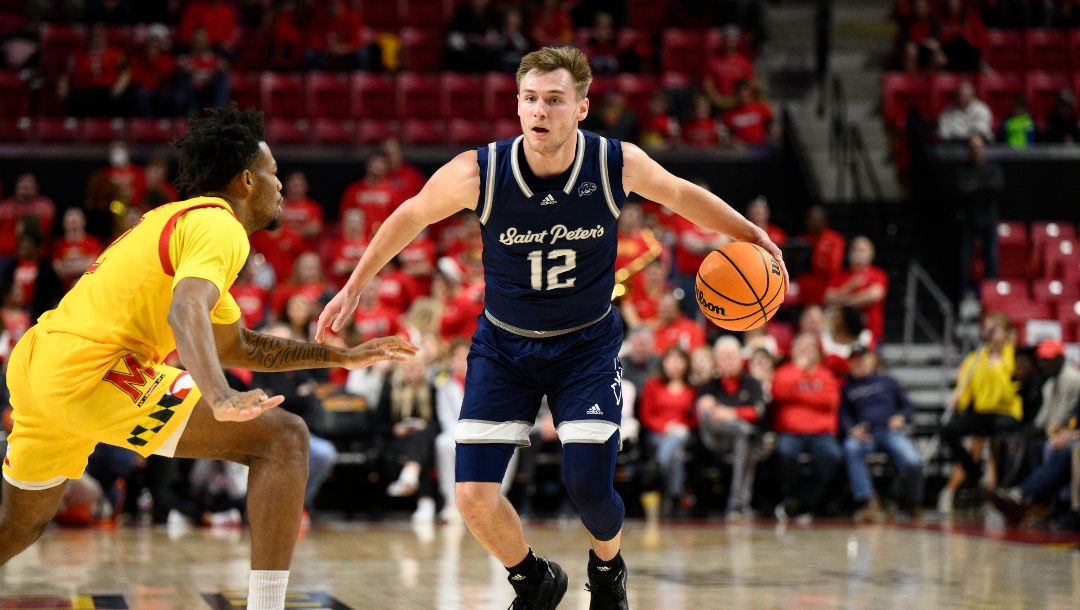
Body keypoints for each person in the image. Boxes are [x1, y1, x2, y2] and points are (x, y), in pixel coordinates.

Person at [315, 47, 787, 609]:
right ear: (517, 106)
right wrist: (353, 284)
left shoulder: (615, 164)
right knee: (471, 496)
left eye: (555, 100)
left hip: (584, 347)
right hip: (503, 347)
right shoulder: (480, 172)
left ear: (582, 107)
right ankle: (533, 579)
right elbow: (412, 214)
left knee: (588, 485)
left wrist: (750, 234)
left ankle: (607, 571)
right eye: (530, 99)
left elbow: (683, 196)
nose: (540, 111)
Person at [0, 105, 417, 610]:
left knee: (18, 524)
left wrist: (339, 356)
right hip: (89, 369)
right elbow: (185, 309)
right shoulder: (220, 226)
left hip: (38, 362)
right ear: (246, 180)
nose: (280, 186)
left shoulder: (178, 223)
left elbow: (239, 345)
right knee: (284, 440)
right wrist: (218, 394)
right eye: (274, 174)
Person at [937, 312, 1022, 513]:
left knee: (1000, 430)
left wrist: (998, 363)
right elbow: (965, 387)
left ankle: (1000, 483)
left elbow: (1010, 389)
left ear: (1006, 332)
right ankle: (974, 472)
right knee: (948, 429)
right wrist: (959, 400)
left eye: (995, 328)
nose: (990, 332)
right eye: (988, 328)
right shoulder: (975, 358)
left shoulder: (1014, 356)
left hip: (1006, 410)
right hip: (983, 411)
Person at [840, 346, 924, 522]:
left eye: (863, 360)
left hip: (890, 431)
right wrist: (852, 429)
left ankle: (911, 502)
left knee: (913, 462)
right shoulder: (847, 388)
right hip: (865, 434)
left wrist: (901, 417)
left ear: (872, 361)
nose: (859, 364)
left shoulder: (888, 382)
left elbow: (908, 406)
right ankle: (868, 501)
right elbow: (843, 415)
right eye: (855, 361)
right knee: (850, 448)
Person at [771, 332, 842, 521]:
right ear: (792, 351)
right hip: (791, 432)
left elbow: (829, 401)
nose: (806, 351)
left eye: (810, 347)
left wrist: (797, 396)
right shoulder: (785, 371)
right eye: (801, 347)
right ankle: (794, 497)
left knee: (832, 456)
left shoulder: (825, 374)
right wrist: (799, 372)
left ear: (819, 352)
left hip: (821, 432)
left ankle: (804, 502)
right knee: (784, 454)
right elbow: (779, 392)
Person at [696, 336, 764, 520]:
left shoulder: (752, 383)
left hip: (743, 443)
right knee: (706, 411)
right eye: (724, 357)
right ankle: (739, 506)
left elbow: (758, 412)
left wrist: (731, 413)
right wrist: (708, 406)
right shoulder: (710, 385)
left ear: (741, 359)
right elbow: (704, 417)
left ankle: (736, 505)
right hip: (716, 441)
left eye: (732, 356)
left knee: (745, 443)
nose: (728, 361)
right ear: (716, 361)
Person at [639, 347, 697, 518]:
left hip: (684, 433)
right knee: (676, 454)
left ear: (686, 364)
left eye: (680, 360)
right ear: (663, 363)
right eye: (671, 360)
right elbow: (646, 415)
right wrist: (665, 427)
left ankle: (657, 467)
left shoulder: (692, 389)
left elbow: (694, 418)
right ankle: (674, 497)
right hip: (657, 434)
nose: (675, 365)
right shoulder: (652, 385)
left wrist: (681, 427)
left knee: (679, 437)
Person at [824, 236, 888, 341]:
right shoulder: (840, 276)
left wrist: (843, 303)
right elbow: (828, 297)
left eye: (862, 250)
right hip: (842, 335)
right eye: (855, 249)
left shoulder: (878, 274)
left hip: (871, 333)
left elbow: (874, 295)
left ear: (871, 254)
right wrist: (849, 287)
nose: (858, 253)